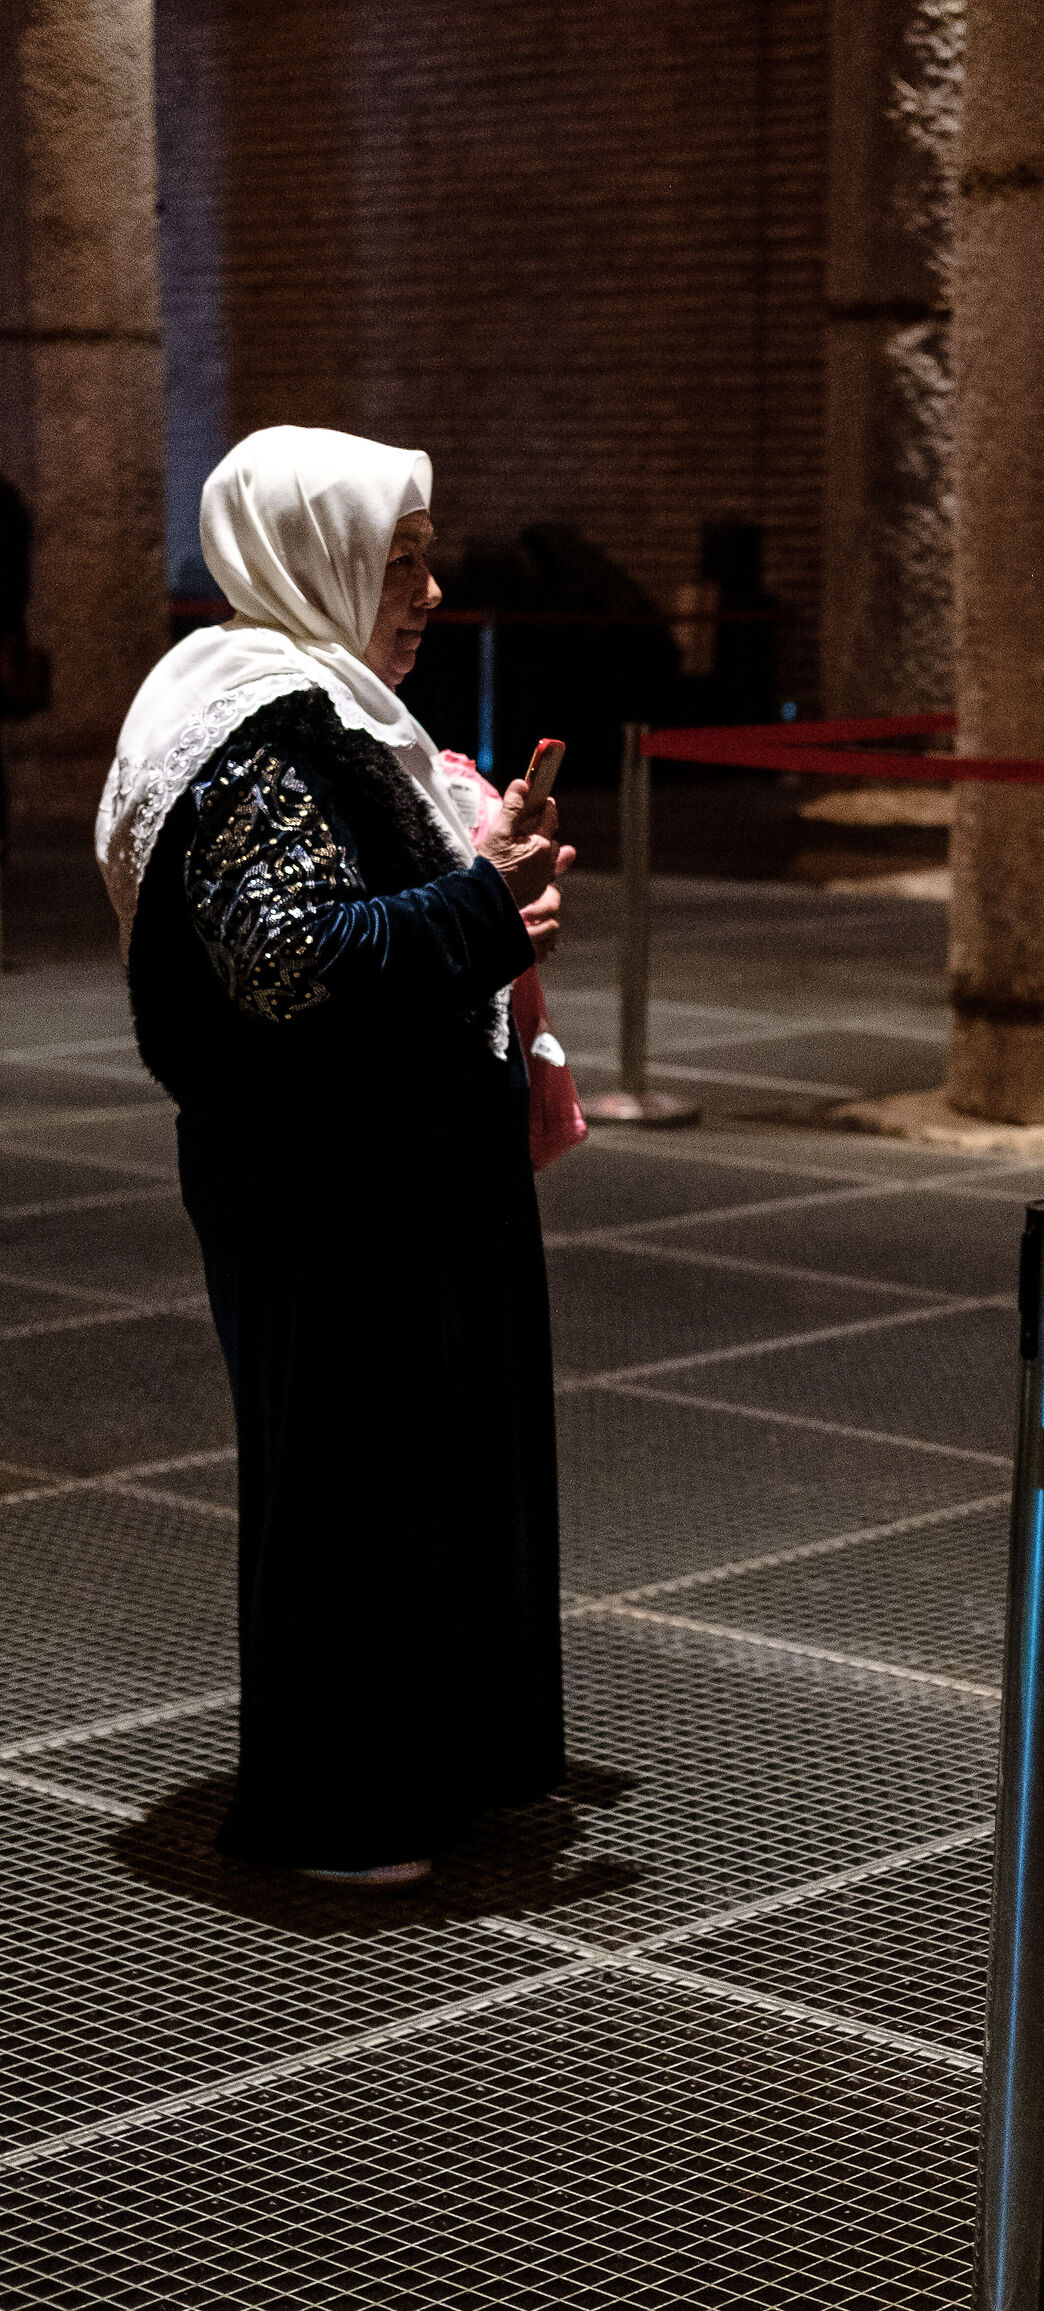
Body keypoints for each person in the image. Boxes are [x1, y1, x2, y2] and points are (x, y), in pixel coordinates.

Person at [96, 425, 574, 1887]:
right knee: (358, 1486)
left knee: (430, 1472)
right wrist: (485, 905)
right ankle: (345, 1809)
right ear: (311, 556)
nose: (428, 592)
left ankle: (440, 1768)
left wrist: (481, 876)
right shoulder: (257, 727)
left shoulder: (322, 707)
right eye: (400, 559)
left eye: (429, 558)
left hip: (401, 1169)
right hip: (329, 1187)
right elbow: (294, 963)